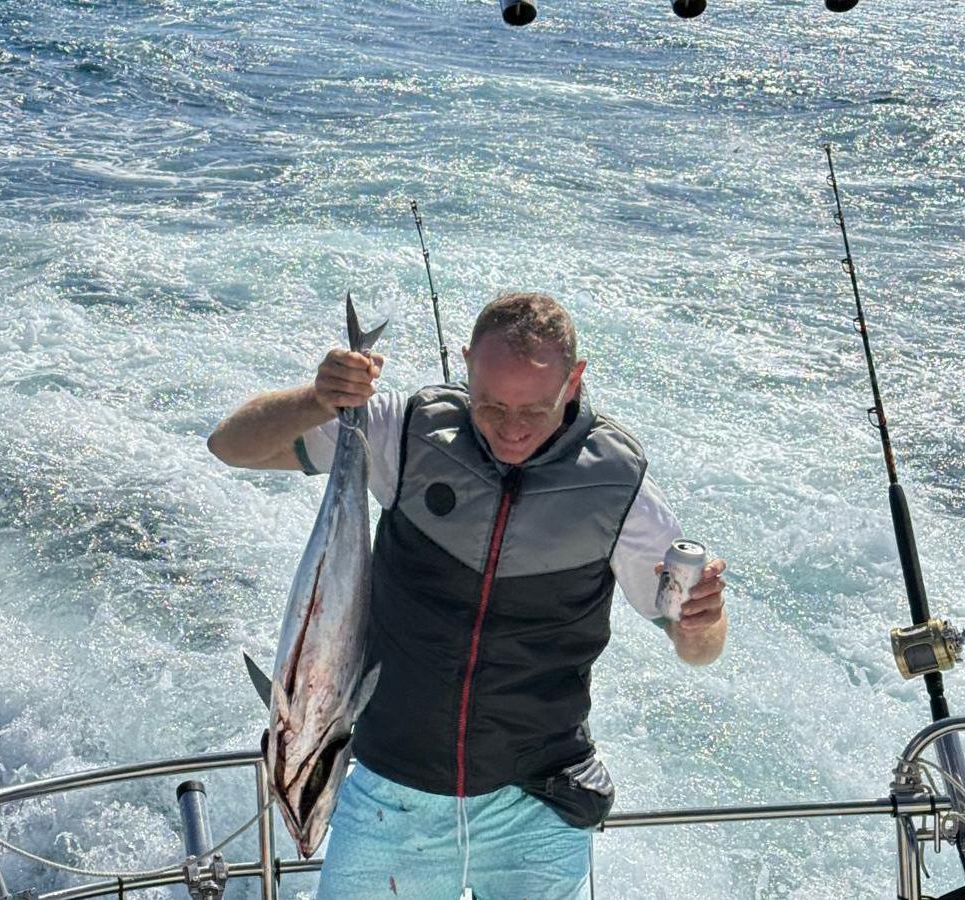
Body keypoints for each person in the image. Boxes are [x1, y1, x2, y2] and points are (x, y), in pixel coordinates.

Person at [208, 291, 728, 899]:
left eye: (534, 408)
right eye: (490, 405)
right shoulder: (405, 433)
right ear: (465, 367)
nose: (511, 429)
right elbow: (230, 445)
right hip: (392, 797)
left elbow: (697, 649)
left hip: (536, 806)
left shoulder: (618, 488)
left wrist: (699, 624)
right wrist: (317, 399)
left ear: (575, 379)